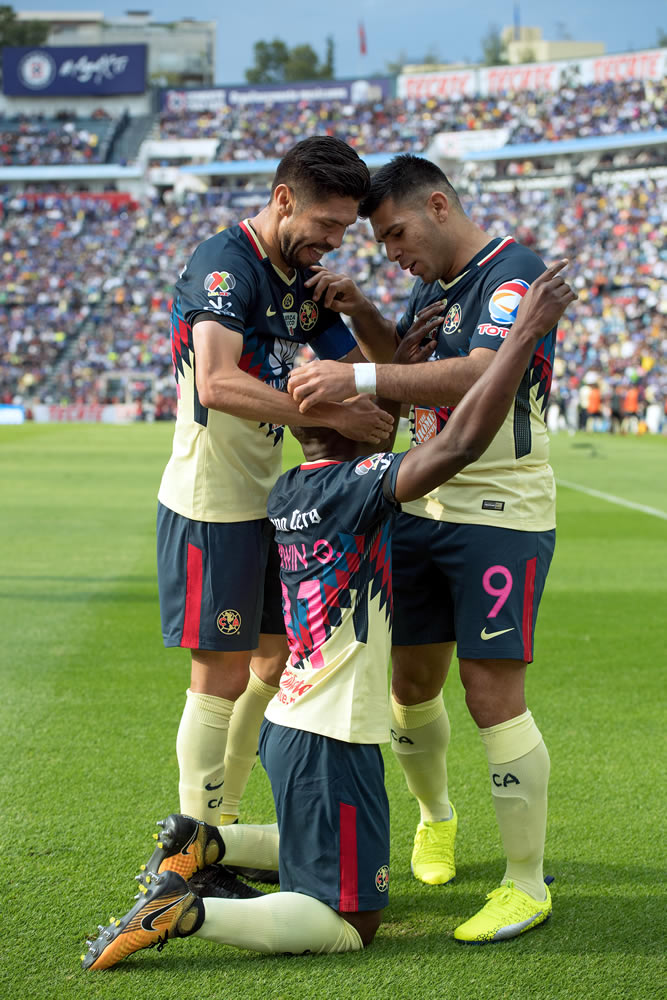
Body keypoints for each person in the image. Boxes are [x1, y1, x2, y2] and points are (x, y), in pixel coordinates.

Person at [81, 260, 576, 970]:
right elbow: (460, 443)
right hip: (328, 738)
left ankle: (203, 841)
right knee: (350, 921)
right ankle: (185, 912)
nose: (385, 421)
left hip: (294, 722)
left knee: (335, 843)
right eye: (371, 416)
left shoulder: (292, 488)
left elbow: (371, 439)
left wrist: (383, 369)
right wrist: (523, 334)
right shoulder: (358, 488)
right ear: (347, 430)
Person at [287, 155, 567, 942]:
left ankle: (523, 882)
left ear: (439, 205)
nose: (390, 251)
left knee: (490, 695)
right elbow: (416, 369)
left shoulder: (511, 272)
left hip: (497, 512)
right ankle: (434, 817)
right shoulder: (431, 286)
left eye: (395, 234)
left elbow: (479, 376)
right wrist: (372, 312)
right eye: (379, 242)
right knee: (410, 687)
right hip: (419, 502)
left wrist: (359, 380)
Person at [155, 137, 393, 891]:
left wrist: (362, 328)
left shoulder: (305, 281)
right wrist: (339, 418)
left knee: (274, 663)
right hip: (212, 504)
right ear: (283, 198)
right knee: (218, 673)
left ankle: (216, 832)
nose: (334, 239)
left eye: (346, 228)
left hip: (272, 502)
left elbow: (354, 374)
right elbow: (219, 384)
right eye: (326, 221)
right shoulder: (224, 264)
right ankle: (192, 851)